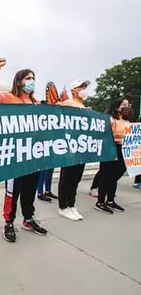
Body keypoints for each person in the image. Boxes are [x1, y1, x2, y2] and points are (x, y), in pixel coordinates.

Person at [0, 58, 47, 243]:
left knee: (30, 190)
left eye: (33, 77)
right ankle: (8, 222)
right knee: (13, 191)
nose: (31, 80)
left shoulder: (36, 103)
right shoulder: (9, 98)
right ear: (19, 81)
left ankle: (28, 219)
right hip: (15, 156)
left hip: (34, 155)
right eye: (28, 78)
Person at [56, 79, 91, 221]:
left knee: (76, 177)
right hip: (69, 146)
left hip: (81, 147)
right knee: (67, 177)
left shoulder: (84, 106)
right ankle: (63, 206)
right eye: (81, 86)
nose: (84, 88)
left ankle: (71, 204)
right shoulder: (68, 104)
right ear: (73, 90)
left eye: (85, 86)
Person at [94, 98, 131, 214]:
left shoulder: (126, 121)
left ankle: (110, 200)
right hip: (110, 148)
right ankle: (100, 201)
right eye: (123, 105)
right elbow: (104, 133)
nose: (127, 107)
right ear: (116, 107)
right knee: (106, 175)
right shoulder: (109, 119)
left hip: (122, 149)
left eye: (128, 105)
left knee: (115, 174)